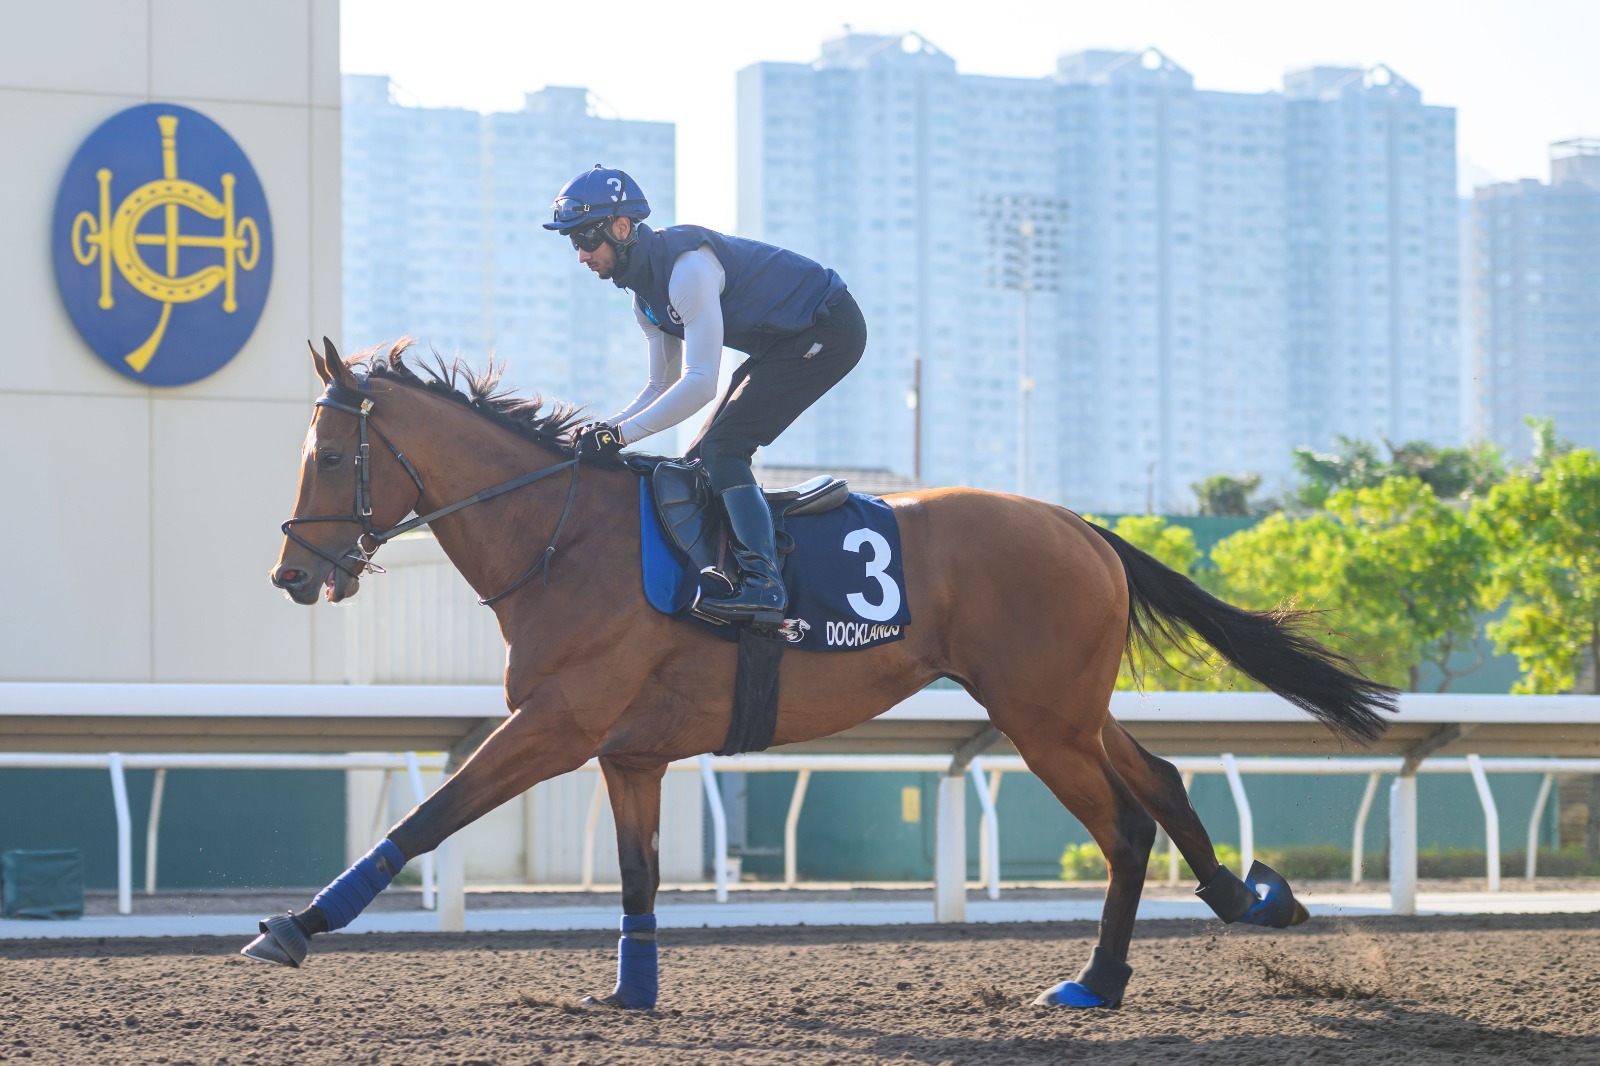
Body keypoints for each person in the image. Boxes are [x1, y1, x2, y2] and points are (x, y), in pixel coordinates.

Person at [545, 165, 866, 626]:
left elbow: (699, 384)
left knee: (723, 447)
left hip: (829, 329)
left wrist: (621, 438)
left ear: (620, 228)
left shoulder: (687, 271)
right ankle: (732, 567)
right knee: (698, 459)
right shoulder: (645, 300)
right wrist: (610, 429)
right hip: (784, 341)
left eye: (585, 239)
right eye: (572, 243)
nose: (580, 255)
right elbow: (660, 386)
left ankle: (765, 587)